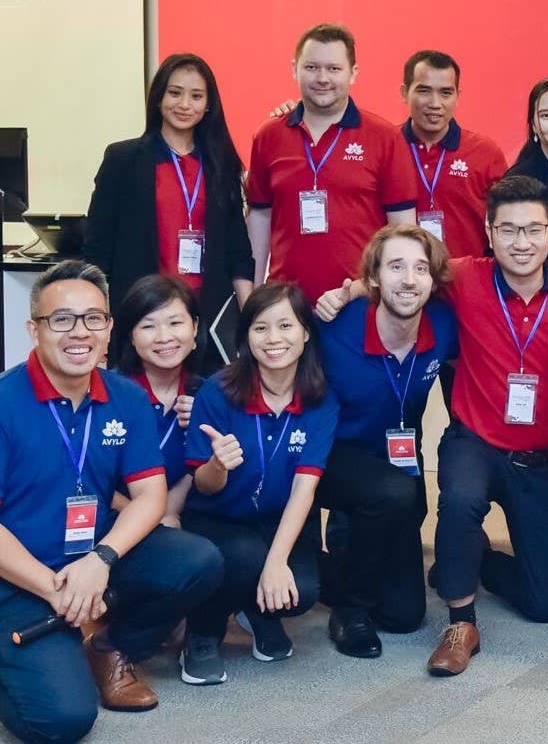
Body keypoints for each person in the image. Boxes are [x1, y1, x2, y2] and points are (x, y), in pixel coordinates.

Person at [0, 261, 221, 734]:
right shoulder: (5, 401)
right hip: (17, 573)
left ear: (108, 328)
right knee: (63, 720)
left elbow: (150, 496)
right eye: (62, 319)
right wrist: (55, 590)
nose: (79, 332)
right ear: (34, 329)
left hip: (91, 556)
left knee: (196, 559)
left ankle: (107, 648)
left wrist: (100, 560)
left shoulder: (125, 397)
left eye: (93, 318)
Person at [425, 175, 548, 675]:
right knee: (459, 499)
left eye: (534, 230)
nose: (522, 243)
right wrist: (344, 292)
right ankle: (461, 621)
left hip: (543, 458)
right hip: (476, 439)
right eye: (509, 230)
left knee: (546, 604)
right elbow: (397, 269)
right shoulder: (463, 277)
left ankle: (471, 559)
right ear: (489, 233)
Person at [178, 283, 336, 684]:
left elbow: (305, 488)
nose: (273, 339)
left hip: (275, 519)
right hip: (218, 518)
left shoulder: (320, 399)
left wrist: (278, 562)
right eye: (260, 328)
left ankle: (259, 610)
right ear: (246, 336)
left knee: (302, 590)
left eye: (286, 326)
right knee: (246, 558)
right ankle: (203, 632)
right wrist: (217, 465)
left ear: (305, 333)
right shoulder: (218, 391)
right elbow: (203, 485)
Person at [313, 225, 458, 657]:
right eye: (395, 267)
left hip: (395, 457)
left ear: (433, 280)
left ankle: (335, 567)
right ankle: (349, 610)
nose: (409, 280)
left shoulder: (444, 325)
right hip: (330, 457)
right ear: (372, 278)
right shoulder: (333, 327)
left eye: (420, 269)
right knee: (393, 494)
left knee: (404, 614)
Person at [86, 53, 253, 373]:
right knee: (139, 398)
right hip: (141, 312)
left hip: (207, 316)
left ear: (209, 105)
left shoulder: (222, 164)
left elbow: (238, 250)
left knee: (202, 398)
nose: (184, 104)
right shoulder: (123, 159)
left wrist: (250, 317)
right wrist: (98, 320)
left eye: (196, 96)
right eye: (175, 93)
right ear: (159, 96)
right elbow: (97, 248)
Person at [246, 23, 417, 303]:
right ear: (294, 69)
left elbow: (403, 233)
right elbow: (259, 222)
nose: (322, 78)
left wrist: (369, 289)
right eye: (312, 67)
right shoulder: (268, 136)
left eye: (334, 69)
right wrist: (253, 301)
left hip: (360, 302)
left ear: (353, 73)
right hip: (287, 305)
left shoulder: (385, 138)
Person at [110, 276, 205, 527]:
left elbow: (194, 470)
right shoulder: (110, 392)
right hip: (111, 515)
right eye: (148, 326)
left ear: (194, 327)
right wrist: (149, 519)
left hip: (171, 517)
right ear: (131, 335)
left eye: (175, 323)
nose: (164, 337)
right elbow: (88, 475)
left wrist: (167, 515)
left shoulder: (205, 395)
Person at [397, 50, 503, 258]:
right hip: (404, 272)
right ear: (404, 92)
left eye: (446, 93)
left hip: (469, 274)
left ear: (457, 96)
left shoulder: (485, 153)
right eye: (424, 91)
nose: (435, 103)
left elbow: (506, 222)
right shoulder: (387, 147)